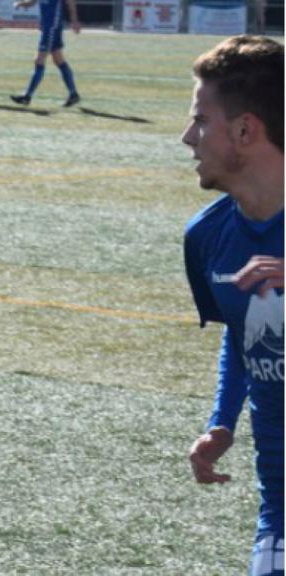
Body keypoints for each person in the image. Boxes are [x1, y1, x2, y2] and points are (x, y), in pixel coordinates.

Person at [181, 35, 283, 576]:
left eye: (200, 120)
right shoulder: (208, 237)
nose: (186, 137)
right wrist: (223, 421)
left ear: (245, 130)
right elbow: (244, 332)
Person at [9, 0, 80, 107]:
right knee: (58, 60)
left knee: (39, 60)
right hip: (48, 27)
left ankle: (27, 96)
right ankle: (73, 94)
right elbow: (32, 2)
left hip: (52, 27)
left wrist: (74, 20)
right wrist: (21, 4)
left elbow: (70, 2)